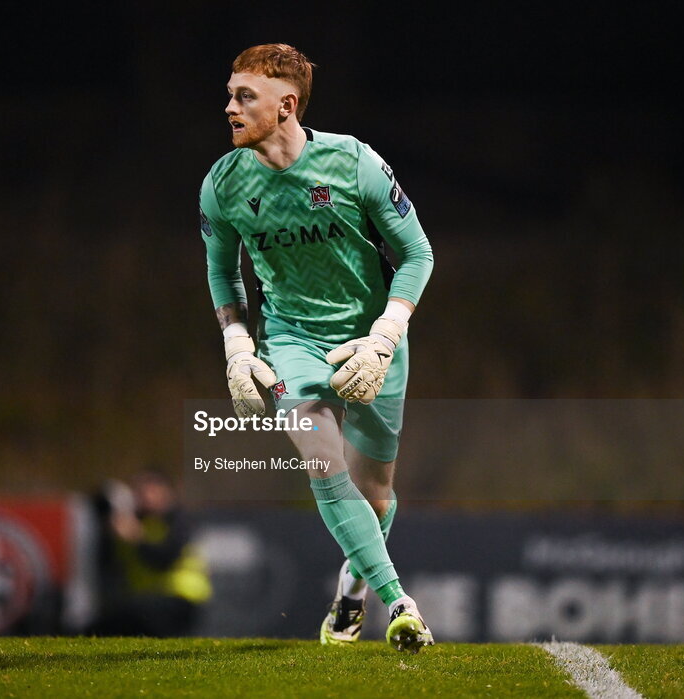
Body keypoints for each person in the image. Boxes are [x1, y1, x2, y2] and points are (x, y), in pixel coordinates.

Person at [199, 44, 435, 652]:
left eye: (243, 96)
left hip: (370, 338)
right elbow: (223, 274)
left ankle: (349, 597)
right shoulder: (222, 187)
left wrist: (384, 337)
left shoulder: (354, 163)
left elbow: (418, 254)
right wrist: (237, 346)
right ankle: (400, 604)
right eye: (230, 93)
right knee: (322, 464)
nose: (229, 106)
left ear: (286, 105)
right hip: (292, 344)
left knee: (377, 493)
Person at [89, 469, 211, 637]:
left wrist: (137, 537)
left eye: (150, 490)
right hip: (145, 599)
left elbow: (164, 559)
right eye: (138, 490)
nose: (144, 496)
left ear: (166, 492)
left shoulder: (178, 520)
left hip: (180, 598)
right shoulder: (134, 521)